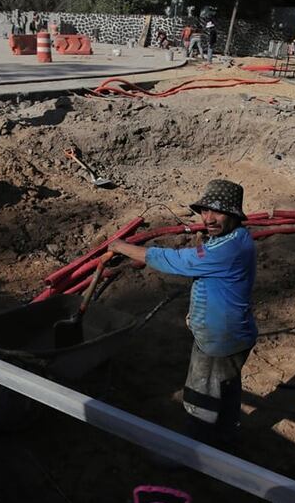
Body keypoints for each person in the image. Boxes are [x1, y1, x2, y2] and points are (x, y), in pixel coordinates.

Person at [108, 180, 257, 439]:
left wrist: (120, 247)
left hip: (218, 340)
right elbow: (211, 279)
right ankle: (226, 438)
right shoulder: (237, 236)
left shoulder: (227, 250)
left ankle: (192, 452)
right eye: (205, 211)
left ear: (233, 214)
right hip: (234, 333)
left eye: (217, 212)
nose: (208, 218)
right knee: (226, 388)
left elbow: (176, 261)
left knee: (201, 398)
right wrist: (198, 313)